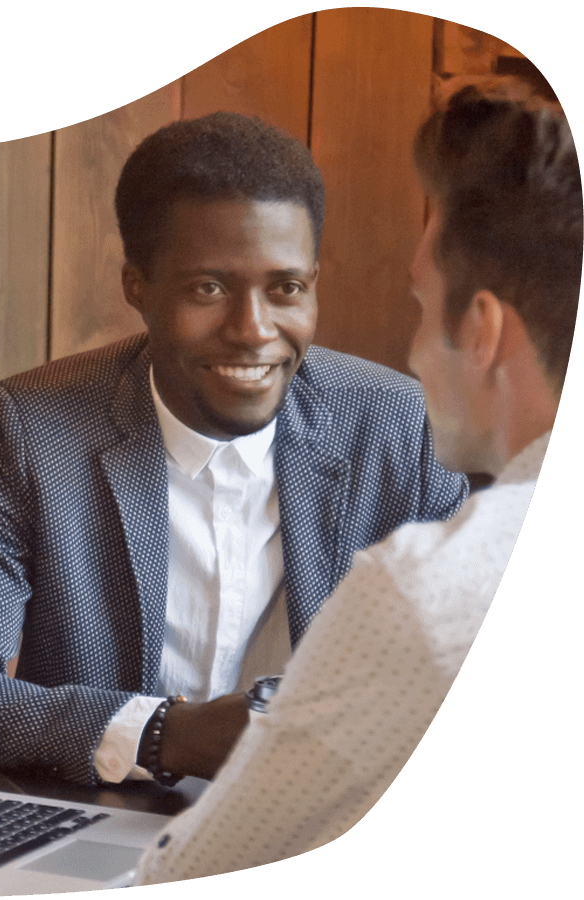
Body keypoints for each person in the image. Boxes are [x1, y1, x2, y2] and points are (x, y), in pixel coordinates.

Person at [0, 112, 469, 787]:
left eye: (286, 289)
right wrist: (160, 736)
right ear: (139, 289)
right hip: (108, 826)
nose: (254, 331)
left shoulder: (399, 428)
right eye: (208, 289)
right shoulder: (34, 431)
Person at [136, 77, 576, 881]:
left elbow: (193, 868)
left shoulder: (427, 589)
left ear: (478, 331)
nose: (409, 355)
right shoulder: (34, 425)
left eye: (419, 304)